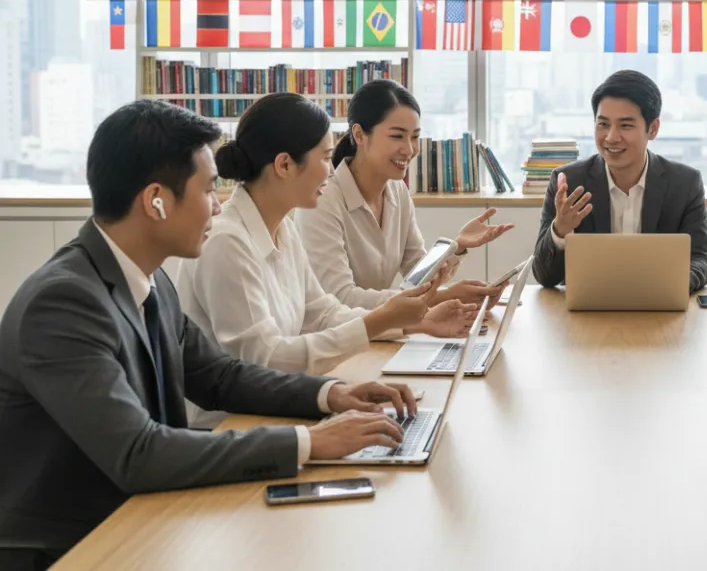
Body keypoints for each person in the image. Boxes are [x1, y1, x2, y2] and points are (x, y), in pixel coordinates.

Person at [0, 101, 422, 567]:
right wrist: (309, 442)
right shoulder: (63, 303)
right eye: (207, 190)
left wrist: (331, 395)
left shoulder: (150, 279)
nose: (219, 204)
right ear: (155, 200)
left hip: (143, 516)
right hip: (73, 547)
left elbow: (221, 376)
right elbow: (139, 452)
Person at [176, 93, 476, 390]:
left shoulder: (283, 230)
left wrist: (415, 322)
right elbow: (264, 359)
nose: (331, 170)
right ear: (284, 165)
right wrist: (378, 322)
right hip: (228, 423)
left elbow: (323, 313)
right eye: (323, 158)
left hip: (273, 401)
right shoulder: (226, 242)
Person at [296, 79, 513, 313]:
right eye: (397, 136)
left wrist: (457, 247)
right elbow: (340, 297)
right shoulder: (322, 201)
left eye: (414, 137)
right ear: (359, 134)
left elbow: (417, 273)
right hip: (334, 338)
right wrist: (442, 297)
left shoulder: (397, 191)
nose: (409, 150)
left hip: (376, 335)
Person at [532, 70, 707, 293]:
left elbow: (701, 259)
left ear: (653, 129)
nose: (611, 137)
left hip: (660, 308)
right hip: (588, 315)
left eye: (625, 125)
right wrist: (560, 230)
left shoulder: (685, 184)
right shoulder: (568, 183)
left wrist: (671, 283)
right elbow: (544, 277)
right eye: (603, 124)